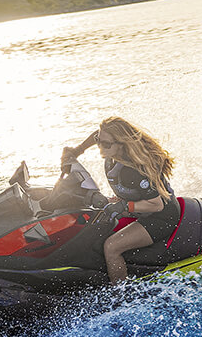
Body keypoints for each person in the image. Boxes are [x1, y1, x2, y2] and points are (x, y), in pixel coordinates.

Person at [61, 117, 180, 284]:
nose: (100, 146)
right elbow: (98, 135)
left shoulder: (132, 171)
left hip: (161, 217)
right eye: (99, 141)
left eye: (106, 144)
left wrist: (124, 206)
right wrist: (77, 150)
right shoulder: (111, 149)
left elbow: (157, 205)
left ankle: (120, 292)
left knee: (111, 247)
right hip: (139, 207)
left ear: (121, 144)